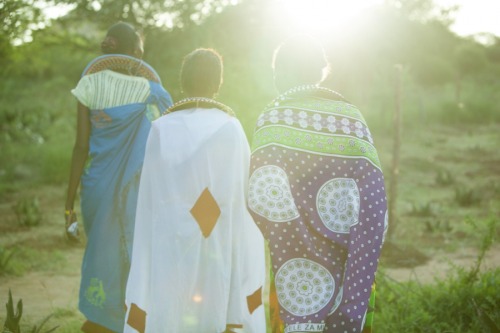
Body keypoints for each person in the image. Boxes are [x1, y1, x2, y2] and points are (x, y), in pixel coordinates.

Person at [247, 35, 388, 333]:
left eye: (275, 72)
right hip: (350, 266)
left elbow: (260, 196)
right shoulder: (353, 119)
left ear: (285, 71)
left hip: (292, 271)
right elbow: (375, 205)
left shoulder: (273, 118)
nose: (274, 80)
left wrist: (294, 241)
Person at [123, 48, 266, 333]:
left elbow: (149, 199)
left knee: (172, 304)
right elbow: (242, 200)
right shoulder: (231, 128)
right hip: (216, 239)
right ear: (218, 84)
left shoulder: (161, 129)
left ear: (183, 82)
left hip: (169, 238)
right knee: (214, 304)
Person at [64, 22, 173, 333]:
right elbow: (167, 135)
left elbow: (81, 146)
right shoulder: (151, 91)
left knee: (101, 249)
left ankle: (100, 321)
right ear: (136, 53)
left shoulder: (88, 85)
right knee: (135, 248)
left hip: (96, 184)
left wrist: (68, 204)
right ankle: (133, 317)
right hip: (135, 187)